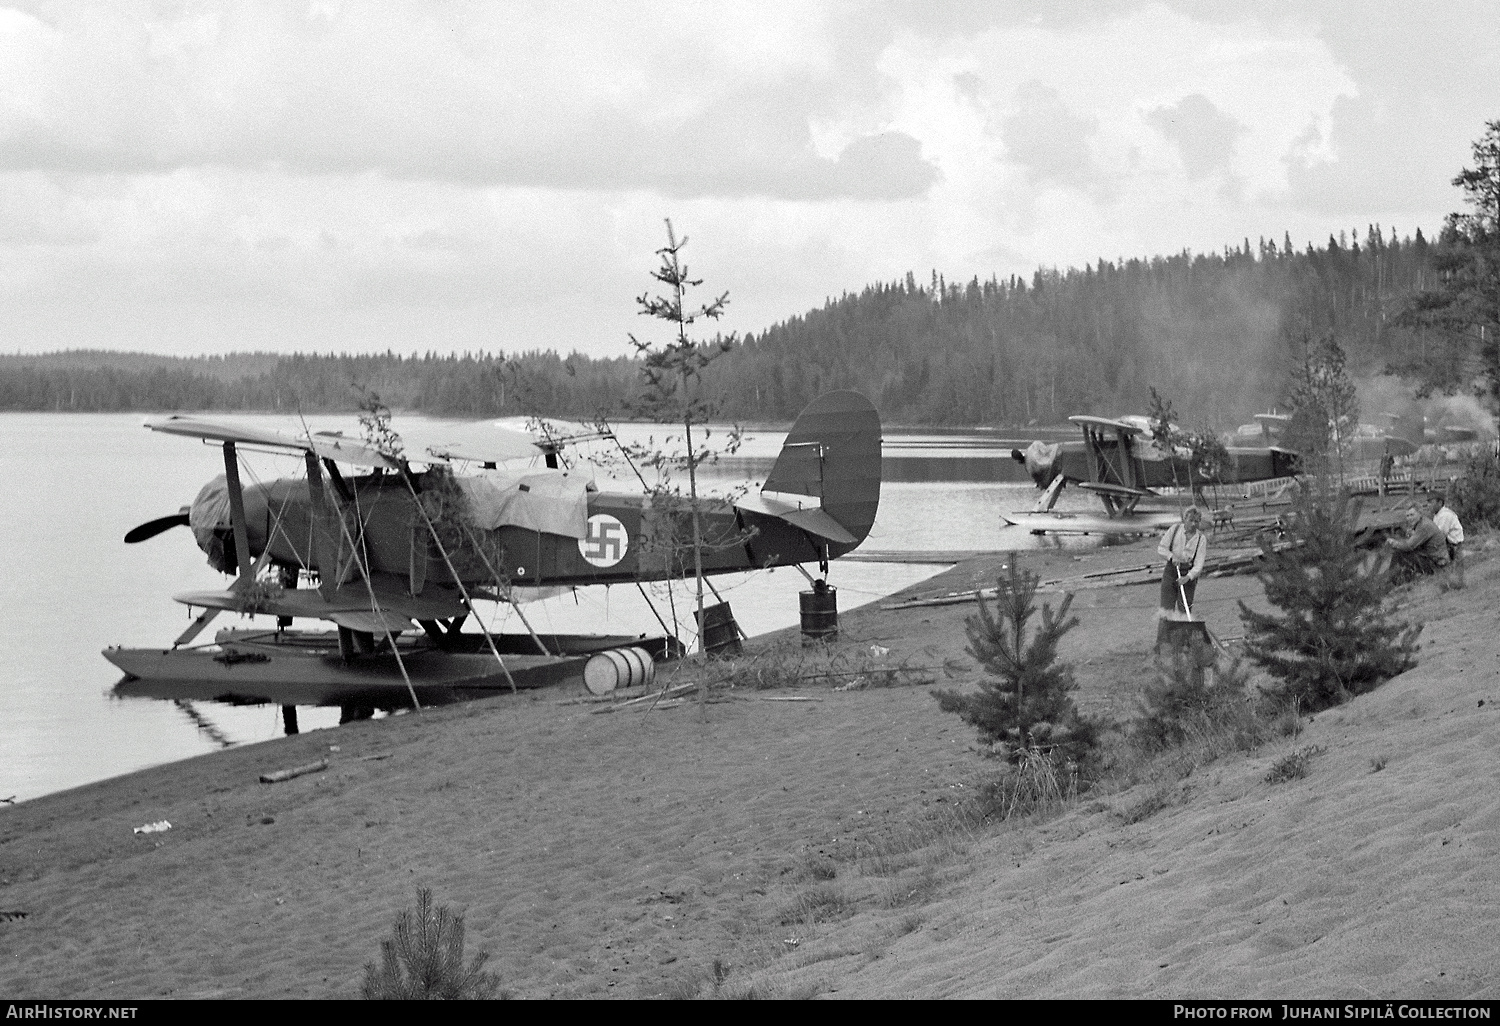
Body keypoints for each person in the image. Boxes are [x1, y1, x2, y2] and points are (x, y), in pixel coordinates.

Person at [1156, 507, 1208, 649]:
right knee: (1166, 609)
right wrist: (1171, 557)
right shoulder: (1174, 530)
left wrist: (1188, 577)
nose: (1193, 524)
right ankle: (1162, 644)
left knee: (1184, 610)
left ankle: (1183, 644)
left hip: (1188, 575)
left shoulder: (1201, 539)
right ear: (1184, 519)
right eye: (1190, 520)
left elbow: (1199, 565)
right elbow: (1161, 548)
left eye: (1196, 521)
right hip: (1171, 571)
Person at [1385, 502, 1449, 582]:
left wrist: (1394, 543)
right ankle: (1401, 578)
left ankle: (1392, 580)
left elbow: (1409, 546)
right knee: (1405, 554)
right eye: (1407, 516)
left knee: (1399, 553)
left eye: (1412, 515)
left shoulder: (1424, 526)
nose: (1409, 518)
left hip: (1437, 564)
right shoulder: (1421, 523)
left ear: (1420, 514)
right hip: (1433, 557)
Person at [1429, 492, 1465, 587]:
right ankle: (1450, 586)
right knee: (1450, 570)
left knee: (1454, 569)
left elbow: (1439, 534)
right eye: (1428, 502)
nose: (1429, 505)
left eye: (1431, 502)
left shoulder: (1444, 515)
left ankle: (1456, 587)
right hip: (1449, 544)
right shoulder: (1437, 515)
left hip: (1454, 545)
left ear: (1440, 503)